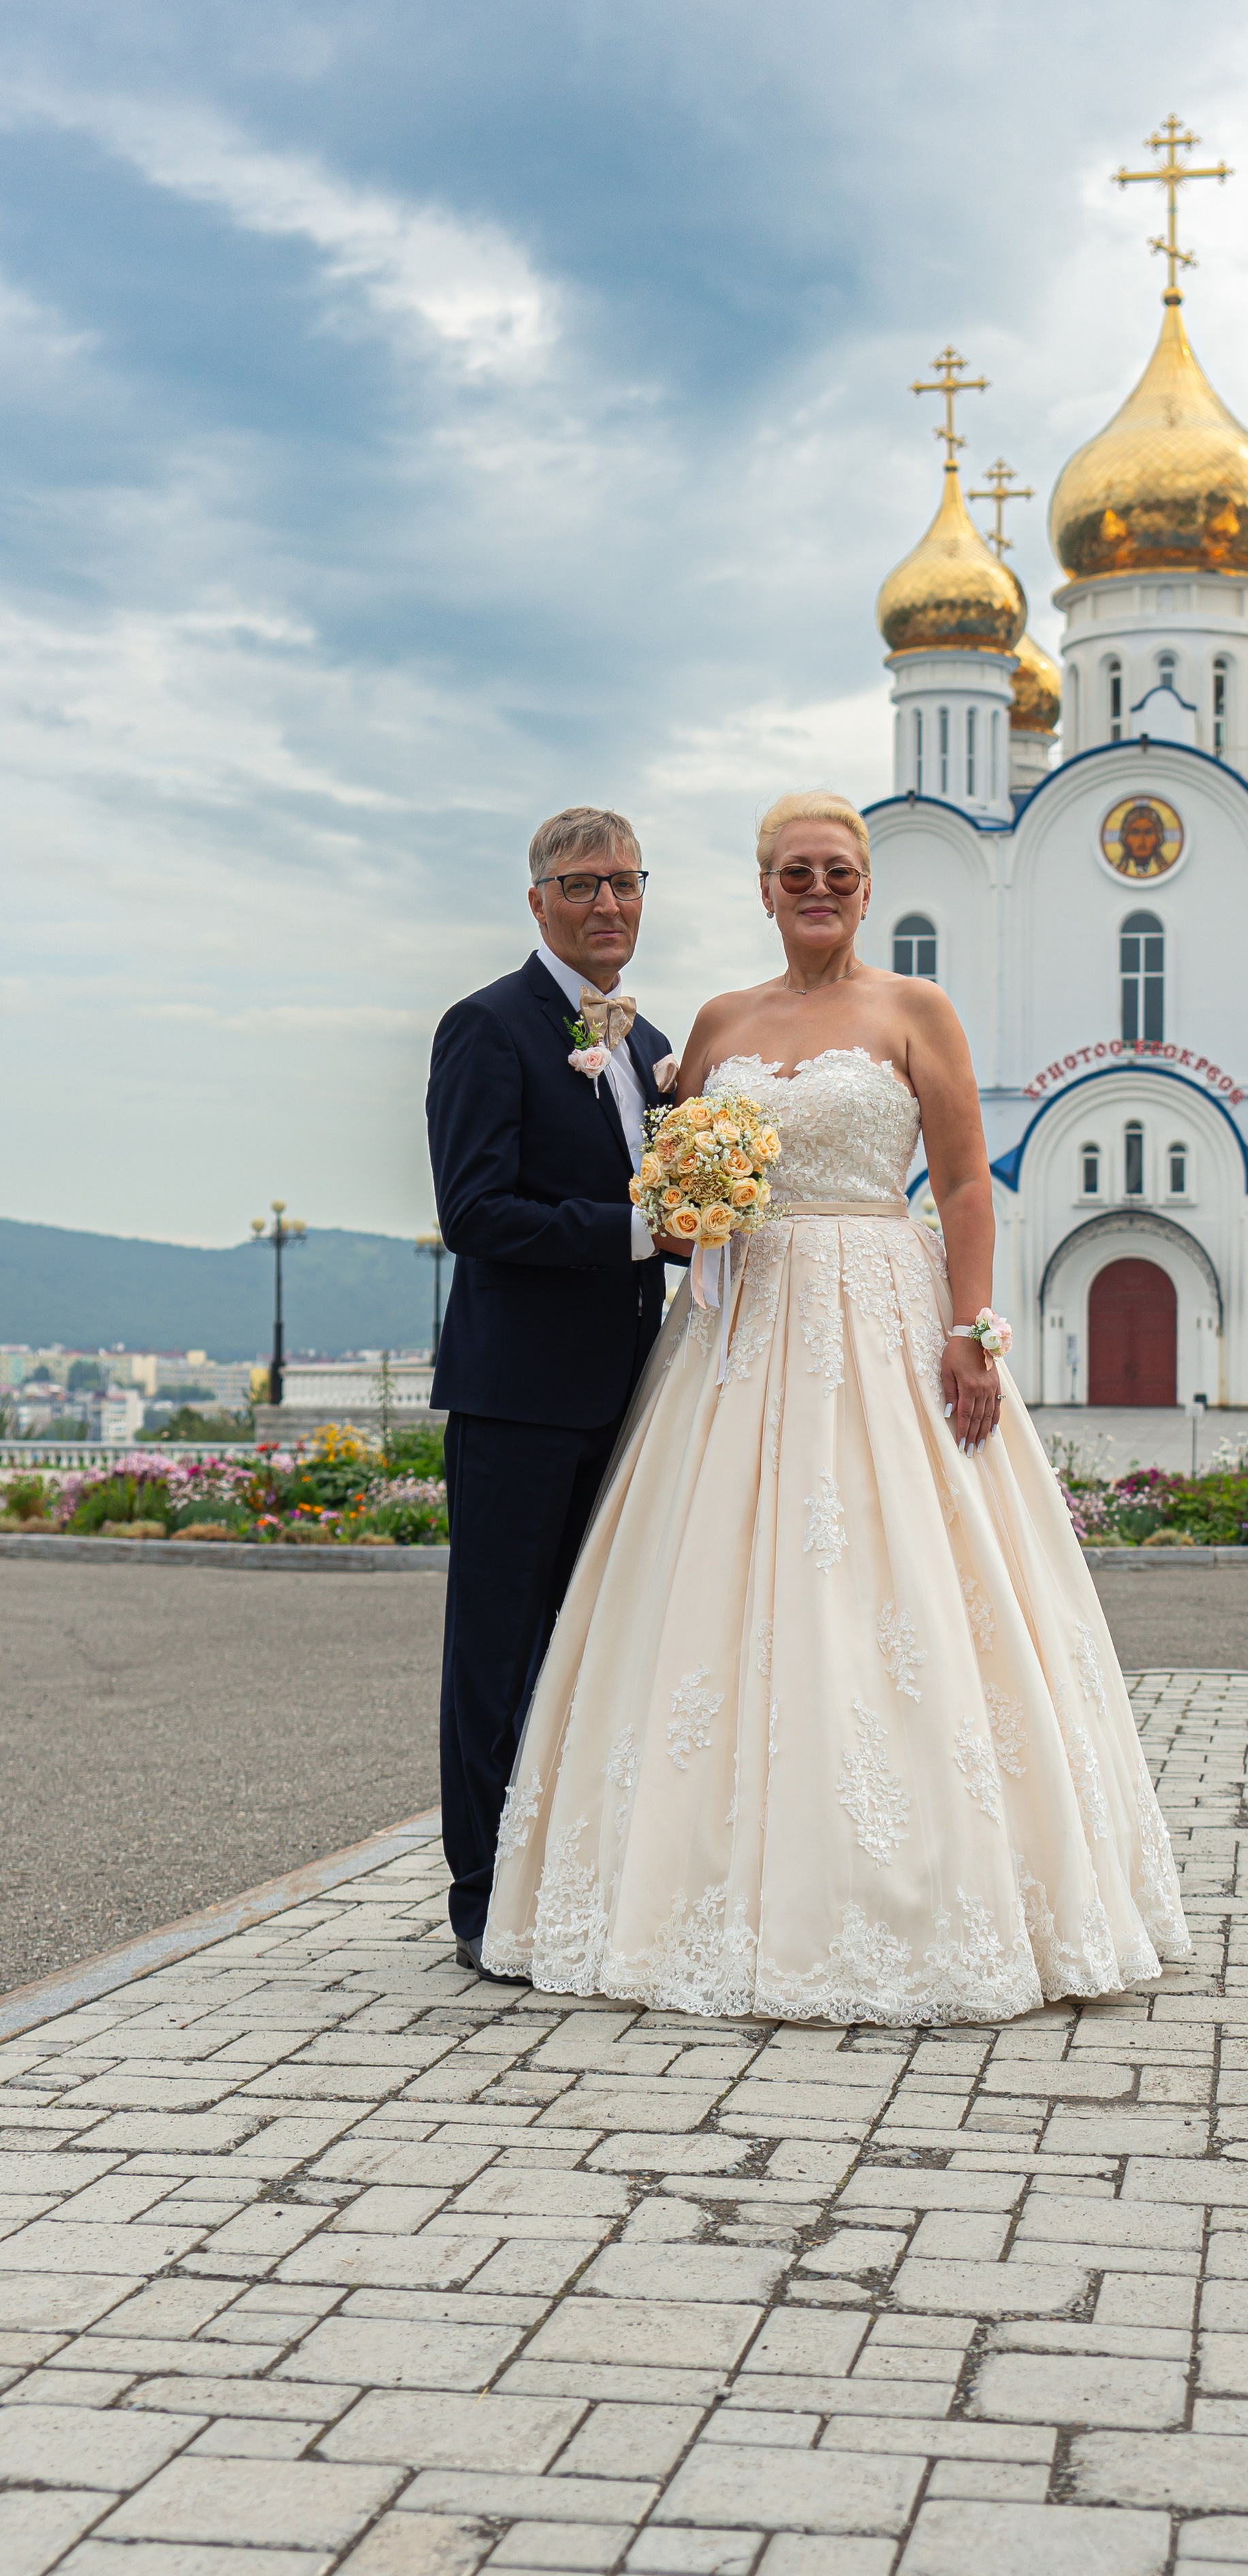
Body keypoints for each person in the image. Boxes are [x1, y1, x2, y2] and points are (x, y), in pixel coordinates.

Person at [481, 790, 1190, 2022]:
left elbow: (965, 1181)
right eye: (796, 871)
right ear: (763, 889)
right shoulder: (713, 1024)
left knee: (899, 1577)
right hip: (740, 1325)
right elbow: (669, 1176)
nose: (820, 887)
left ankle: (946, 1888)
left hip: (883, 1312)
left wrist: (973, 1333)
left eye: (842, 872)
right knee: (714, 1586)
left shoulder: (916, 1012)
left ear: (870, 890)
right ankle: (681, 1886)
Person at [427, 804, 680, 1977]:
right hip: (518, 1396)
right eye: (580, 887)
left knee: (591, 1647)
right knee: (497, 1649)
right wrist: (638, 1230)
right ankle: (482, 1896)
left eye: (623, 883)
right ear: (537, 903)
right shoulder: (485, 1028)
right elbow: (475, 1213)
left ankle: (563, 1876)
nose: (606, 905)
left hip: (632, 1394)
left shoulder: (647, 1043)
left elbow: (679, 1214)